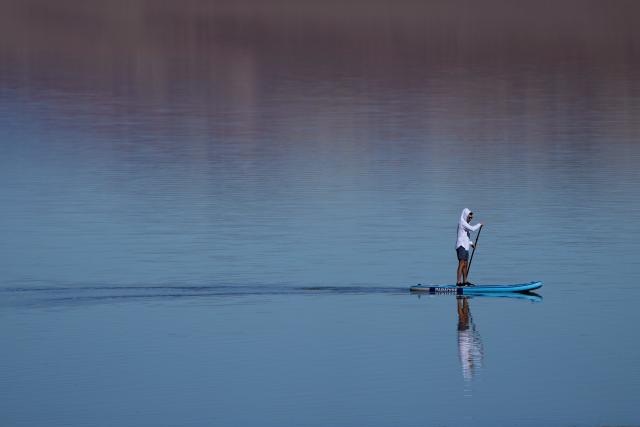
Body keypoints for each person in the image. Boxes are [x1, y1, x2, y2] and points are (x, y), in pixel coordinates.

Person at [456, 208, 482, 286]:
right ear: (465, 215)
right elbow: (473, 229)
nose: (470, 218)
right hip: (461, 246)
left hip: (466, 246)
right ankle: (458, 282)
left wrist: (471, 243)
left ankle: (465, 281)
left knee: (466, 264)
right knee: (461, 263)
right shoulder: (462, 222)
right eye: (469, 217)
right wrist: (479, 224)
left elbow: (465, 236)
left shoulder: (467, 224)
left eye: (471, 217)